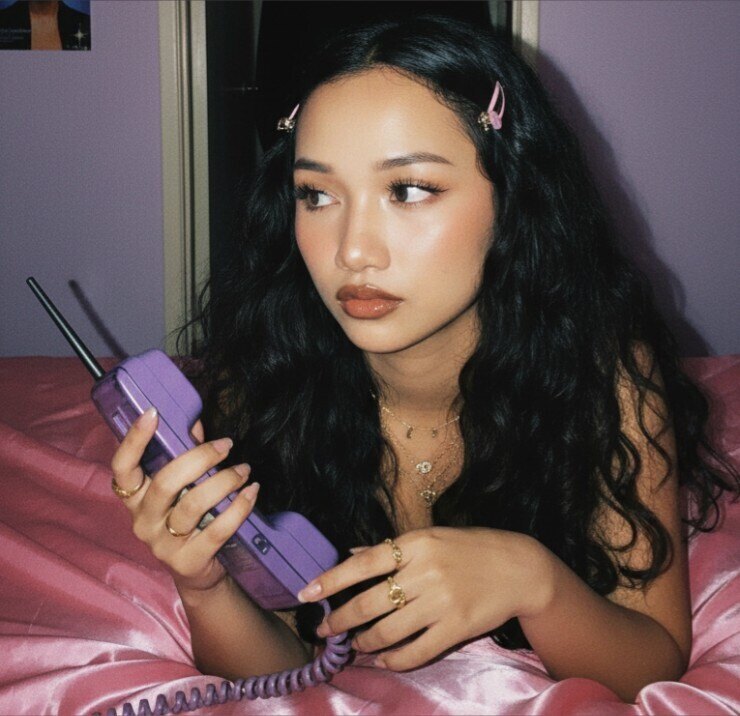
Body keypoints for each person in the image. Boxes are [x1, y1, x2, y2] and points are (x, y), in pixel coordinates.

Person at [109, 15, 739, 704]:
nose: (353, 250)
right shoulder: (266, 373)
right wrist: (205, 586)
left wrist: (533, 580)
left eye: (408, 190)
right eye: (316, 194)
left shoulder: (602, 377)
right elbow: (282, 670)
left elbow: (651, 661)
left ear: (513, 197)